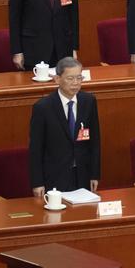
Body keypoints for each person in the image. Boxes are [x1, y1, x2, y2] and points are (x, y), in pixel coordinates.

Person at [28, 57, 100, 195]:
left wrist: (94, 174)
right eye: (70, 78)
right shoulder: (43, 108)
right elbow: (35, 149)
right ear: (57, 79)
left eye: (79, 78)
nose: (75, 83)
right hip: (55, 176)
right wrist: (37, 182)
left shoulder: (89, 101)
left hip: (82, 174)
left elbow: (95, 140)